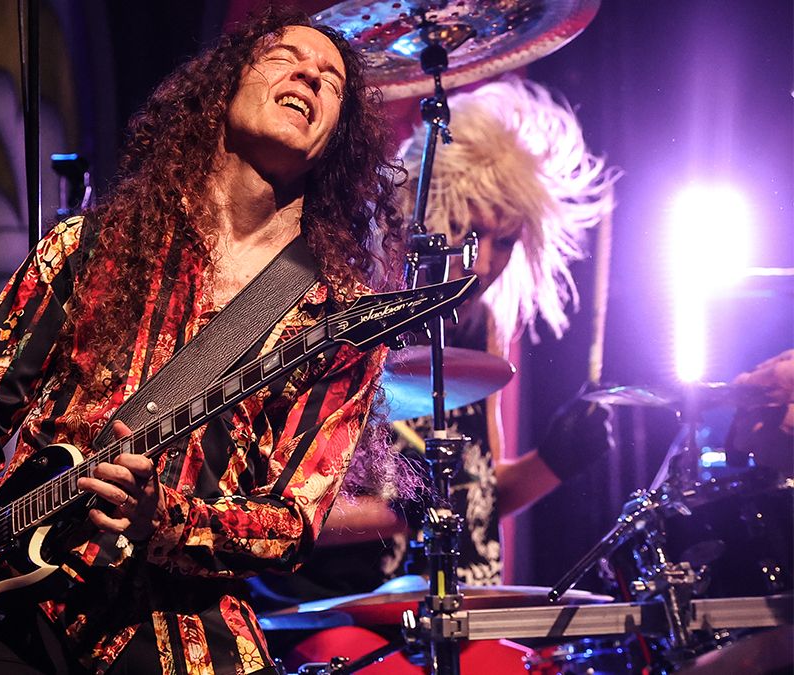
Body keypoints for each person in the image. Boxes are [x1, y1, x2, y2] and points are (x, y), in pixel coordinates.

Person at [0, 9, 404, 674]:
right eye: (284, 56)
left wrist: (166, 518)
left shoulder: (336, 319)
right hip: (12, 601)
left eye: (332, 80)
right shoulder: (87, 249)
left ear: (336, 142)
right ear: (223, 88)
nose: (309, 71)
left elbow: (294, 520)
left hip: (182, 612)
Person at [260, 77, 619, 613]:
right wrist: (398, 510)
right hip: (333, 611)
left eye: (507, 242)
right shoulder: (342, 311)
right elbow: (266, 508)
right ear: (421, 218)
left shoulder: (478, 327)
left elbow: (475, 499)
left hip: (447, 606)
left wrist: (553, 462)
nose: (483, 263)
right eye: (470, 232)